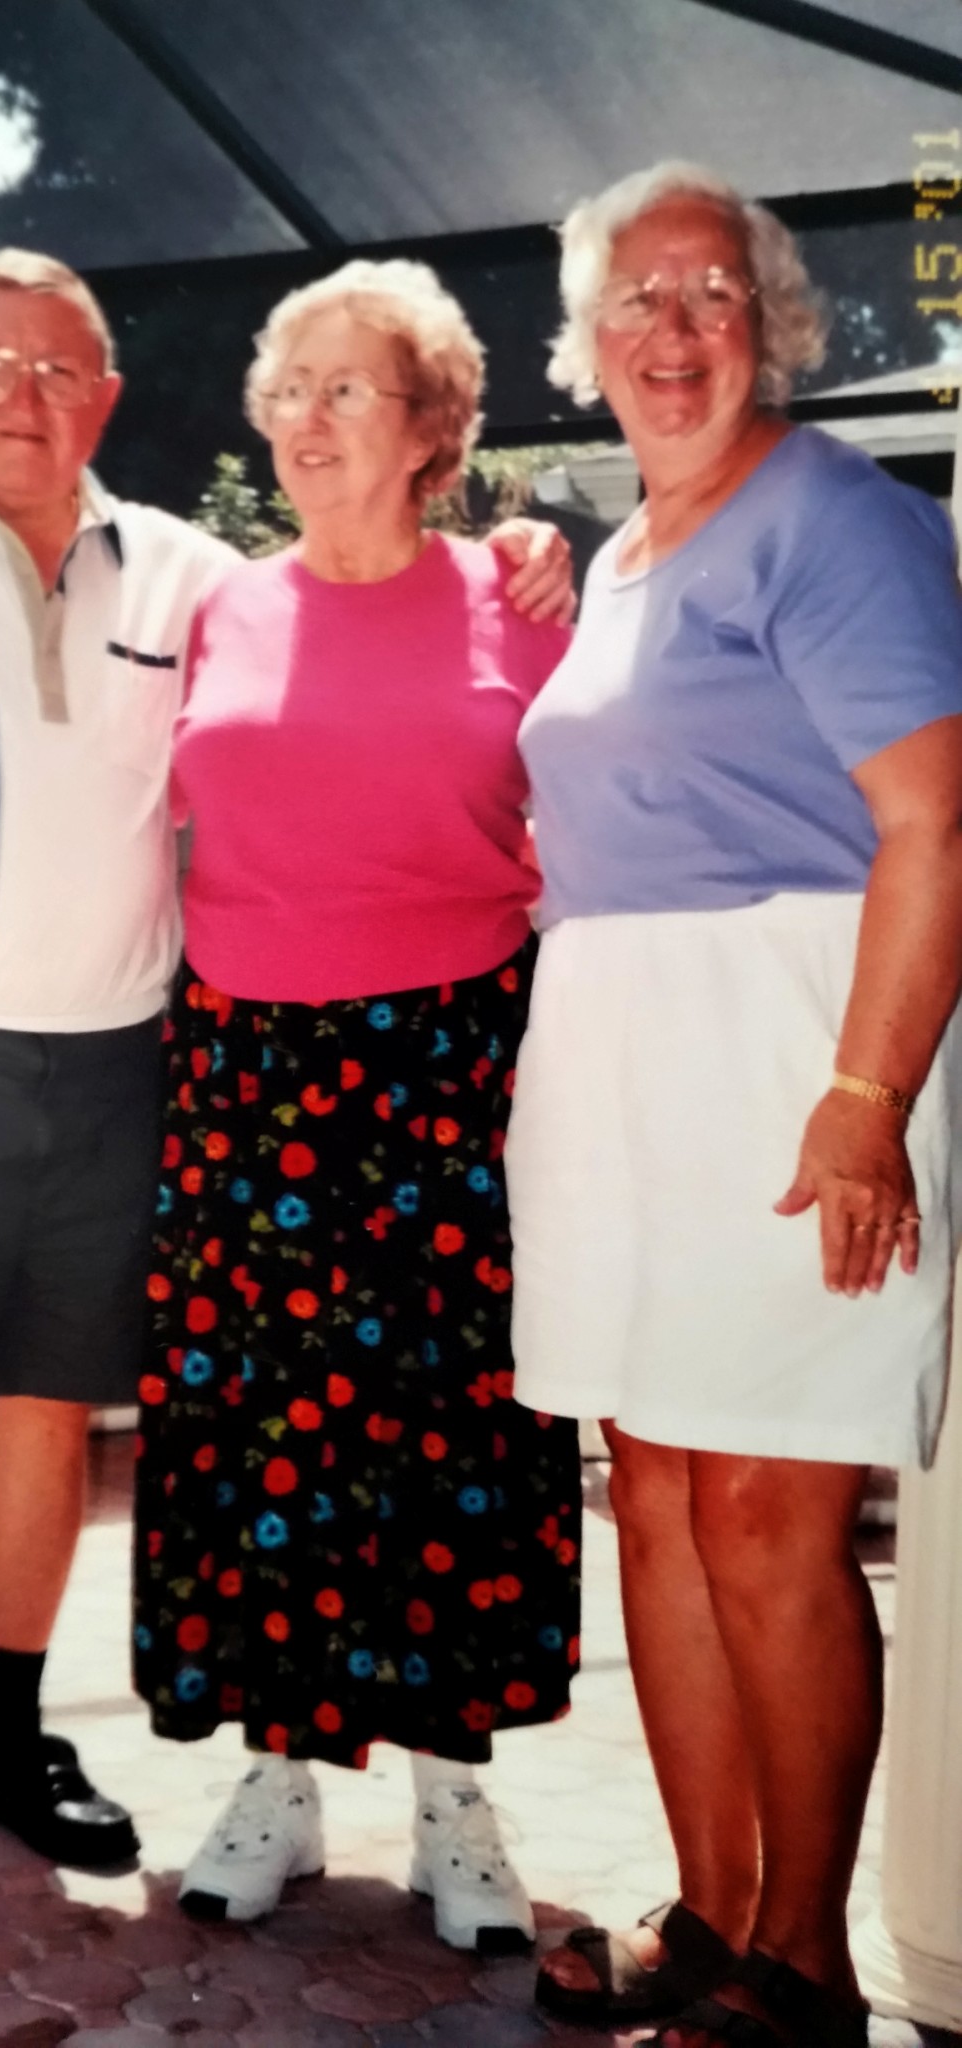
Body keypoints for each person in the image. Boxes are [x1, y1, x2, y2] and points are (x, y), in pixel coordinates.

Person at [0, 247, 571, 1915]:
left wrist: (533, 546)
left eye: (61, 369)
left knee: (318, 1430)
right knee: (58, 1424)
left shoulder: (228, 576)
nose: (24, 395)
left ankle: (116, 1752)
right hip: (73, 1060)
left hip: (295, 1070)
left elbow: (536, 768)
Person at [507, 162, 962, 2048]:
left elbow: (935, 824)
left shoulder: (839, 517)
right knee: (661, 1499)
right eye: (636, 297)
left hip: (793, 1046)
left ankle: (806, 1965)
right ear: (587, 338)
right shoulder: (621, 550)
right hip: (619, 1053)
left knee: (771, 1513)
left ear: (770, 323)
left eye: (711, 293)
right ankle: (708, 1916)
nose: (673, 330)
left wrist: (865, 1100)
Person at [132, 257, 583, 1955]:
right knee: (266, 1427)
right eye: (289, 390)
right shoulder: (218, 604)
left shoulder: (521, 601)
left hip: (452, 1065)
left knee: (452, 1428)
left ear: (430, 428)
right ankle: (282, 1771)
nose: (307, 420)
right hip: (248, 1070)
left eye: (348, 390)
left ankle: (456, 1794)